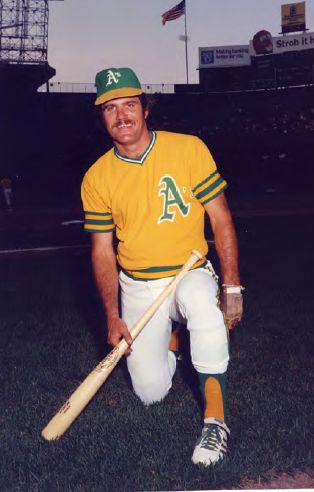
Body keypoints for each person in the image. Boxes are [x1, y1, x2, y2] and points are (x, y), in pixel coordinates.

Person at [81, 67, 243, 467]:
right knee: (151, 392)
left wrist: (233, 287)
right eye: (111, 108)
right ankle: (172, 340)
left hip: (189, 270)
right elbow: (102, 251)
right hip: (138, 286)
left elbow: (220, 218)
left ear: (145, 108)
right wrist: (112, 315)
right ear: (101, 116)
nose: (122, 116)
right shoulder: (96, 177)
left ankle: (216, 421)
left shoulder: (187, 148)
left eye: (130, 105)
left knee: (201, 304)